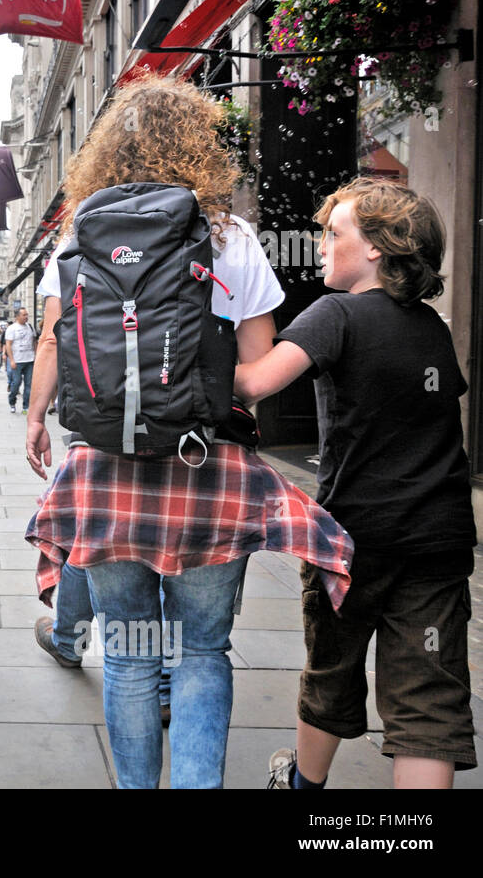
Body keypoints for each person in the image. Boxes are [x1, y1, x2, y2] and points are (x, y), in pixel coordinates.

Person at [23, 74, 354, 788]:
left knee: (130, 652)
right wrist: (194, 381)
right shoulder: (230, 237)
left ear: (108, 151)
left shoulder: (81, 230)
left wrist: (35, 418)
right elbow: (259, 365)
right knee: (203, 650)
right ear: (197, 148)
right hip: (210, 467)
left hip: (105, 465)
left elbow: (54, 341)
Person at [235, 178, 477, 788]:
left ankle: (303, 788)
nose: (319, 245)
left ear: (375, 247)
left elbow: (257, 384)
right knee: (428, 699)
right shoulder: (431, 326)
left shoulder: (334, 313)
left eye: (333, 232)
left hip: (352, 540)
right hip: (438, 540)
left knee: (333, 669)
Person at [4, 307, 35, 413]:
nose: (26, 317)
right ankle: (12, 401)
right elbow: (8, 345)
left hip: (30, 360)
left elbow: (34, 342)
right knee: (16, 383)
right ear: (17, 316)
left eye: (27, 314)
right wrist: (11, 360)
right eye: (24, 315)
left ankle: (25, 406)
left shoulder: (30, 327)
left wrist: (36, 355)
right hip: (17, 361)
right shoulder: (12, 328)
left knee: (29, 385)